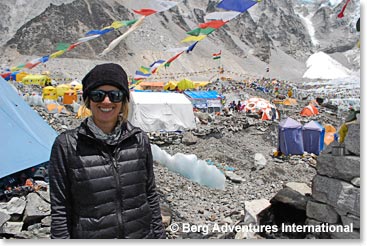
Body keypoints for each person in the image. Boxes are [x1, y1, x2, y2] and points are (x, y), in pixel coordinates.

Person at [48, 63, 166, 239]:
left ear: (123, 101)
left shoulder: (139, 140)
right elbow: (60, 207)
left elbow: (150, 195)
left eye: (115, 95)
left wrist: (159, 236)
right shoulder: (66, 145)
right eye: (98, 95)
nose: (106, 101)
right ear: (88, 101)